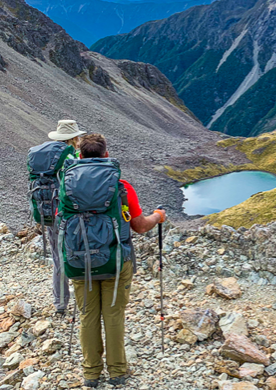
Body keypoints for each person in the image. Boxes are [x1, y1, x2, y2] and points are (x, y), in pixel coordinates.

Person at [73, 133, 165, 388]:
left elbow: (61, 221)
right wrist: (158, 216)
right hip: (115, 259)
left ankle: (91, 374)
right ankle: (117, 372)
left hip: (80, 262)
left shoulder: (66, 185)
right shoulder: (120, 186)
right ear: (106, 154)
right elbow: (139, 226)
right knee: (113, 314)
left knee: (88, 315)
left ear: (80, 155)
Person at [46, 120, 85, 315]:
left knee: (58, 258)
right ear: (73, 138)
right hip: (69, 215)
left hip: (50, 214)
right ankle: (84, 301)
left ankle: (60, 304)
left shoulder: (49, 157)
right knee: (78, 254)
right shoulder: (70, 157)